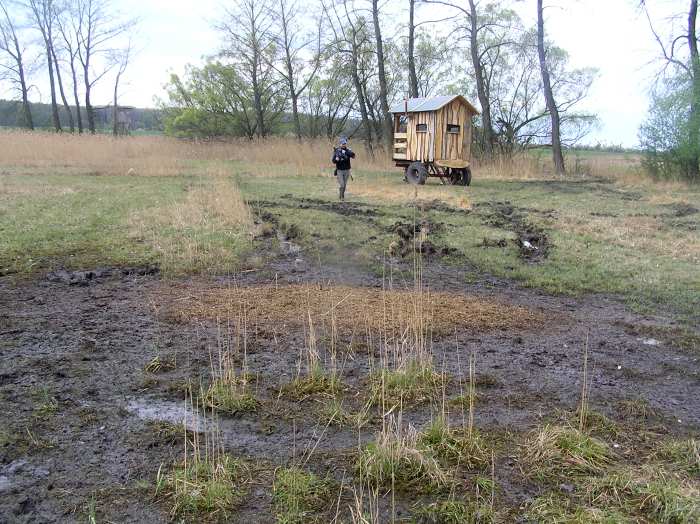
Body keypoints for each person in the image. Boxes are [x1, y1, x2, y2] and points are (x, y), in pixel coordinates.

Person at [331, 136, 355, 201]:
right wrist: (336, 159)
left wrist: (345, 152)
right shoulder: (337, 151)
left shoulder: (348, 150)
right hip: (339, 171)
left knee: (344, 185)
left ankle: (341, 195)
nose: (344, 145)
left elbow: (353, 156)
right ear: (340, 144)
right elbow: (333, 161)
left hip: (347, 170)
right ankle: (341, 197)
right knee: (342, 184)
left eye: (344, 144)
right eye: (342, 144)